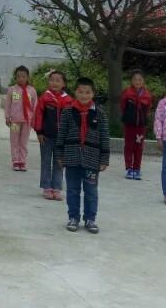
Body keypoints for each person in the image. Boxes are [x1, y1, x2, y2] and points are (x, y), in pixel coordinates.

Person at [55, 77, 110, 234]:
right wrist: (59, 155)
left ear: (93, 94)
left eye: (87, 92)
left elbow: (105, 137)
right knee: (72, 190)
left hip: (92, 159)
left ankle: (90, 219)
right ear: (75, 92)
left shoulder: (100, 113)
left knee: (91, 191)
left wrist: (104, 159)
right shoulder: (67, 112)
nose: (84, 95)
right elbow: (61, 134)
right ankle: (73, 217)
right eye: (80, 92)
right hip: (71, 158)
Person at [33, 70, 73, 200]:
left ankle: (56, 188)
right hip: (46, 137)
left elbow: (72, 120)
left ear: (64, 84)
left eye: (58, 80)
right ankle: (46, 187)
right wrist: (39, 131)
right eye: (51, 80)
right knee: (45, 162)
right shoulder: (45, 98)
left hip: (62, 139)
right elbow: (38, 115)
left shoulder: (68, 100)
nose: (54, 83)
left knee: (59, 163)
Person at [2, 65, 37, 171]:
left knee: (23, 141)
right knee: (14, 141)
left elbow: (35, 105)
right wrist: (7, 117)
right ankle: (15, 161)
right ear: (15, 77)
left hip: (27, 121)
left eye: (23, 76)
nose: (21, 78)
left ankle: (22, 161)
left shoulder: (32, 91)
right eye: (18, 76)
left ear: (27, 77)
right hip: (15, 121)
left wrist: (34, 119)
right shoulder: (12, 90)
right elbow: (8, 104)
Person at [120, 69, 153, 179]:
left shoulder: (147, 95)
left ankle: (137, 168)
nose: (137, 82)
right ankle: (129, 168)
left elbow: (148, 109)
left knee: (139, 147)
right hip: (129, 125)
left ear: (143, 81)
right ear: (131, 80)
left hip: (141, 126)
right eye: (135, 79)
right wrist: (128, 117)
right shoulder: (127, 93)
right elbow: (123, 106)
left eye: (140, 79)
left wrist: (143, 119)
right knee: (129, 146)